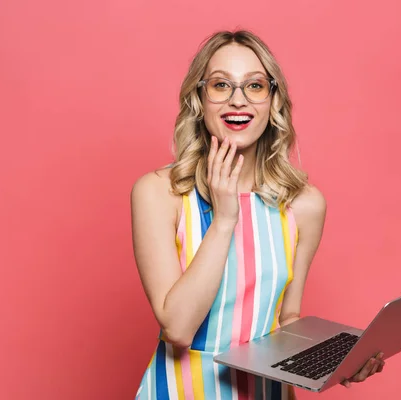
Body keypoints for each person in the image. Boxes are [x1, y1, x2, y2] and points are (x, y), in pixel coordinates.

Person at [131, 30, 385, 400]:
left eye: (254, 86)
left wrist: (339, 360)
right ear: (200, 99)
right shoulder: (159, 193)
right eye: (221, 85)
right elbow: (180, 329)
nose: (238, 100)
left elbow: (287, 321)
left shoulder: (303, 204)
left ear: (273, 100)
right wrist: (224, 218)